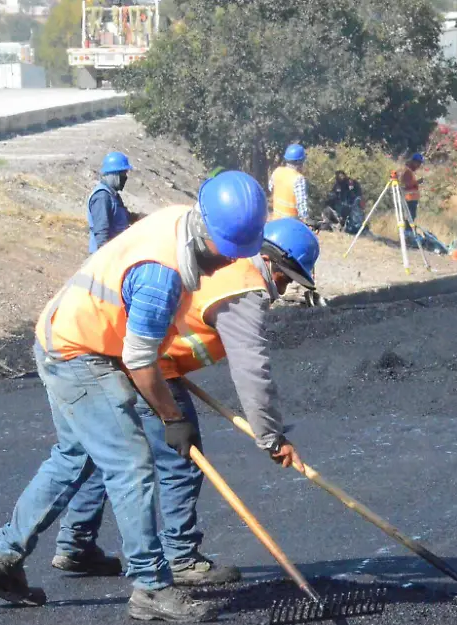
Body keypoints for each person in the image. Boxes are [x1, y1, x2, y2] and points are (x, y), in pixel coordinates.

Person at [0, 171, 300, 623]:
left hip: (63, 332)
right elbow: (140, 360)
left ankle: (3, 560)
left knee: (72, 458)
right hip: (80, 352)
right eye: (227, 254)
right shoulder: (161, 274)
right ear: (210, 235)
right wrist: (171, 417)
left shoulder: (179, 221)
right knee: (130, 464)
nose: (226, 265)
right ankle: (150, 587)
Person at [48, 217, 319, 586]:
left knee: (106, 452)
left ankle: (76, 543)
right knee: (182, 457)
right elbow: (253, 371)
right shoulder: (243, 288)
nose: (284, 287)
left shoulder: (224, 261)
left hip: (125, 352)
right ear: (271, 261)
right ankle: (181, 557)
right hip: (149, 365)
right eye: (287, 277)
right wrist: (271, 438)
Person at [87, 151, 133, 253]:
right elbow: (101, 231)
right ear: (113, 174)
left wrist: (140, 217)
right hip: (105, 257)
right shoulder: (102, 197)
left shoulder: (113, 195)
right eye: (122, 174)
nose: (125, 177)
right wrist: (105, 258)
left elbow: (121, 217)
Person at [268, 143, 309, 223]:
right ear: (300, 162)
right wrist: (306, 220)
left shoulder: (277, 171)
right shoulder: (298, 179)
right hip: (291, 225)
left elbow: (270, 188)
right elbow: (302, 207)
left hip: (275, 221)